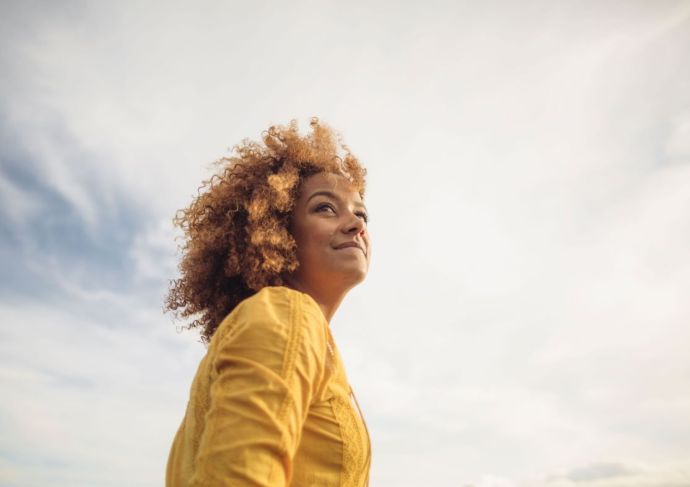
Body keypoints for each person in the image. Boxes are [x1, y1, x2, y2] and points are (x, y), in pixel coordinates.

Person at [165, 118, 372, 487]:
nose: (356, 225)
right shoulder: (288, 314)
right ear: (277, 230)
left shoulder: (292, 327)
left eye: (361, 213)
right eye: (326, 208)